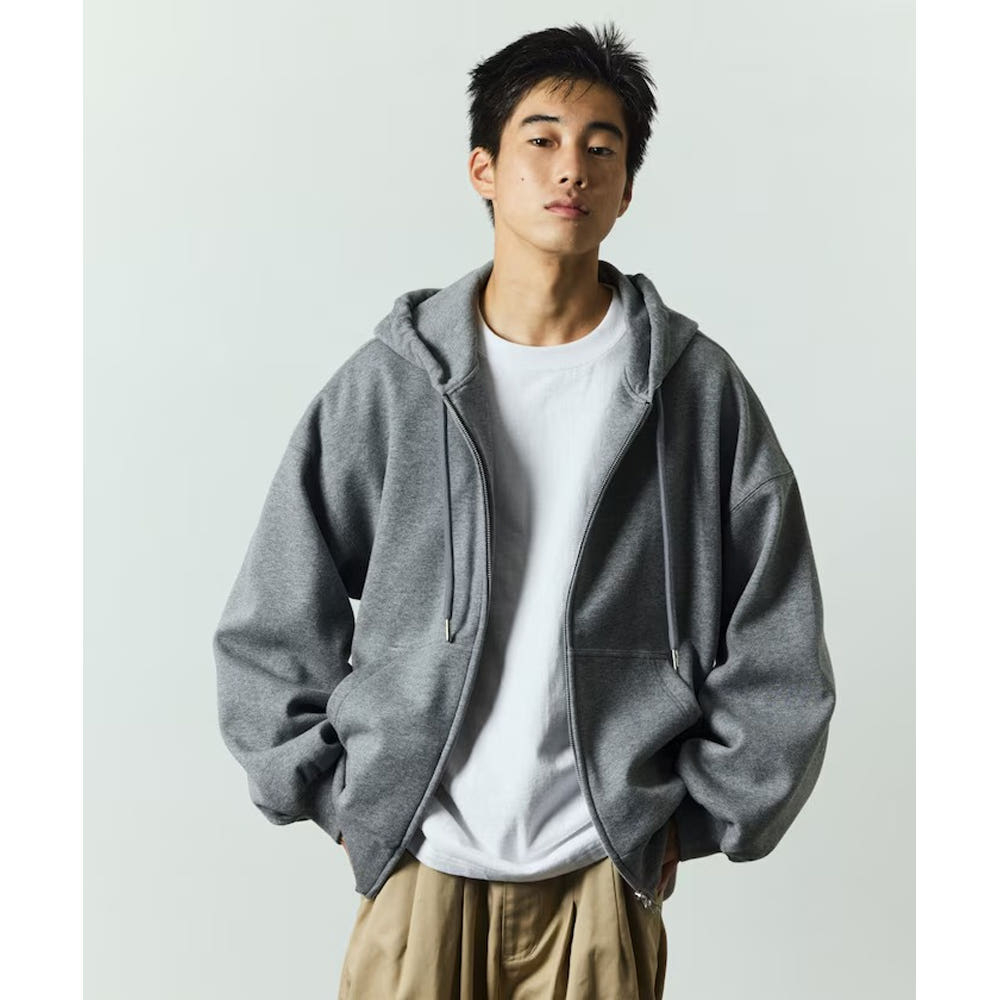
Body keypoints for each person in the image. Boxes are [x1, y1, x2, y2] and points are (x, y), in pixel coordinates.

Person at [213, 20, 837, 1000]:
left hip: (600, 869)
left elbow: (778, 635)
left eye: (602, 147)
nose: (571, 168)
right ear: (484, 169)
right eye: (540, 139)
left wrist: (695, 814)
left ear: (626, 188)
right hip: (420, 862)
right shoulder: (391, 385)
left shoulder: (691, 390)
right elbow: (272, 618)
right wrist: (342, 796)